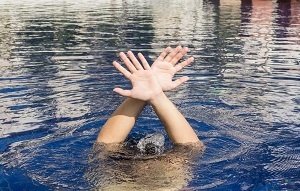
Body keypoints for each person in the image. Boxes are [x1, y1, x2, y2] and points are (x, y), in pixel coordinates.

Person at [87, 46, 204, 191]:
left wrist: (151, 95)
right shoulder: (171, 183)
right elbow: (191, 147)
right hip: (154, 178)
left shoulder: (114, 185)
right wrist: (156, 96)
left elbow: (104, 145)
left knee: (104, 152)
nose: (146, 167)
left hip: (123, 178)